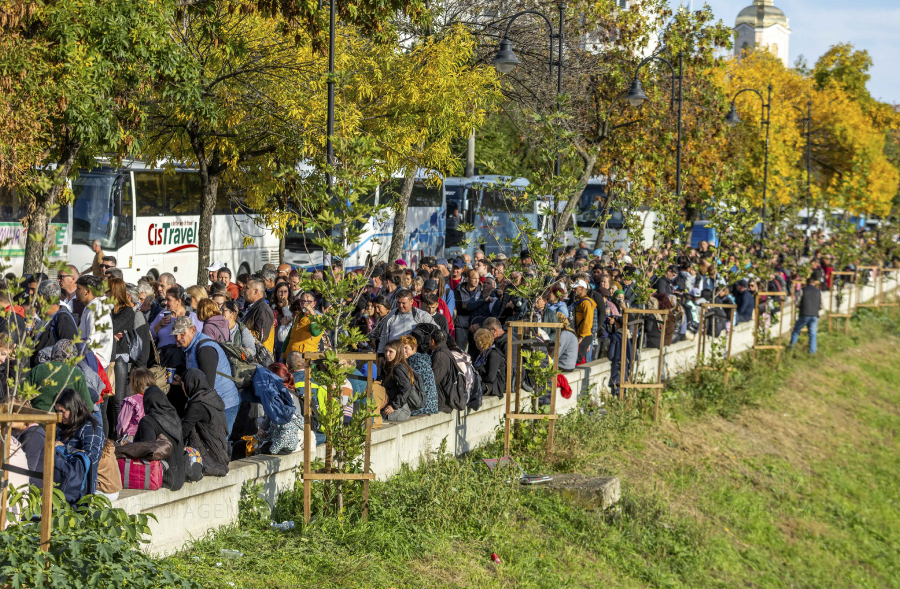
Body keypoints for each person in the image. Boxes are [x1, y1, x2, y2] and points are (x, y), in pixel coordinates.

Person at [172, 316, 240, 435]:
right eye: (175, 335)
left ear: (193, 330)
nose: (178, 338)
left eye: (182, 334)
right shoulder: (189, 347)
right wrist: (182, 381)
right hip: (210, 402)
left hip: (224, 403)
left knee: (219, 442)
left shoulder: (205, 348)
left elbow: (207, 384)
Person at [54, 388, 104, 496]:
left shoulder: (90, 427)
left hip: (80, 488)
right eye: (57, 411)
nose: (59, 415)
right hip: (61, 482)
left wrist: (65, 449)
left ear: (74, 409)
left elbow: (92, 457)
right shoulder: (61, 428)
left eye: (62, 411)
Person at [180, 369, 229, 477]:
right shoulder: (212, 398)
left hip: (210, 460)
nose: (182, 388)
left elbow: (182, 433)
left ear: (190, 384)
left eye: (182, 385)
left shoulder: (197, 406)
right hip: (220, 456)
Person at [26, 339, 93, 412]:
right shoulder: (76, 373)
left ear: (53, 352)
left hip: (37, 418)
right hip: (63, 421)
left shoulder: (37, 369)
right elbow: (88, 406)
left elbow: (22, 397)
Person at [107, 278, 135, 438]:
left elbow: (111, 327)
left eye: (107, 290)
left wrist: (110, 332)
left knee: (117, 400)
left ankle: (118, 435)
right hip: (108, 356)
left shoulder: (127, 311)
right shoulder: (108, 310)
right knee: (107, 400)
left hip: (119, 357)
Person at [370, 290, 435, 358]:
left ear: (411, 302)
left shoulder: (422, 316)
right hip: (393, 356)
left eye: (404, 303)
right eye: (398, 302)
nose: (400, 305)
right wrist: (381, 354)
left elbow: (436, 332)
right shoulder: (391, 315)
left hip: (412, 357)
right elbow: (383, 336)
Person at [75, 275, 113, 369]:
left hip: (94, 365)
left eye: (79, 288)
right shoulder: (91, 308)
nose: (76, 291)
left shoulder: (95, 310)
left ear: (87, 291)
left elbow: (92, 342)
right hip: (91, 363)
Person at [401, 334, 437, 416]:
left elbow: (408, 387)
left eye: (406, 348)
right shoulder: (424, 358)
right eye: (401, 348)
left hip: (421, 407)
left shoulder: (413, 362)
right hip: (431, 406)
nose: (403, 351)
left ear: (414, 349)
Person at [116, 368, 155, 443]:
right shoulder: (155, 399)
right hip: (151, 437)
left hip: (132, 437)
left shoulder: (131, 401)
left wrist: (120, 435)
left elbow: (122, 423)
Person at [381, 339, 415, 423]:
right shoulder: (388, 366)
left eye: (390, 351)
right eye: (386, 351)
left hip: (401, 409)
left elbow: (406, 388)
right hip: (392, 405)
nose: (387, 354)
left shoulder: (398, 368)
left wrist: (394, 406)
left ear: (398, 352)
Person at [428, 329, 458, 413]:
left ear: (432, 341)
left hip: (442, 402)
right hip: (445, 399)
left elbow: (434, 380)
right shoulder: (446, 351)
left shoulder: (440, 355)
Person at [790, 277, 821, 354]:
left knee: (796, 331)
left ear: (806, 283)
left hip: (804, 314)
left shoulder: (802, 290)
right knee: (813, 334)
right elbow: (822, 305)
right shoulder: (819, 292)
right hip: (814, 315)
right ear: (814, 283)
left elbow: (796, 302)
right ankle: (812, 352)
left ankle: (792, 349)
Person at [242, 278, 275, 353]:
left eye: (247, 288)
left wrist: (241, 329)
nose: (244, 290)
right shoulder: (254, 307)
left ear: (255, 291)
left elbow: (261, 336)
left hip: (260, 358)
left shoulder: (263, 309)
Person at [473, 328, 505, 399]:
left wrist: (475, 379)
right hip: (487, 384)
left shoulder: (493, 354)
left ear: (480, 342)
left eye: (476, 341)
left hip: (495, 386)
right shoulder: (482, 353)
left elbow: (491, 377)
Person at [572, 280, 597, 364]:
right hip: (579, 335)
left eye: (575, 288)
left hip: (583, 336)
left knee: (577, 360)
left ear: (582, 288)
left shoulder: (586, 303)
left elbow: (588, 321)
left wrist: (582, 337)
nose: (573, 290)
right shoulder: (579, 302)